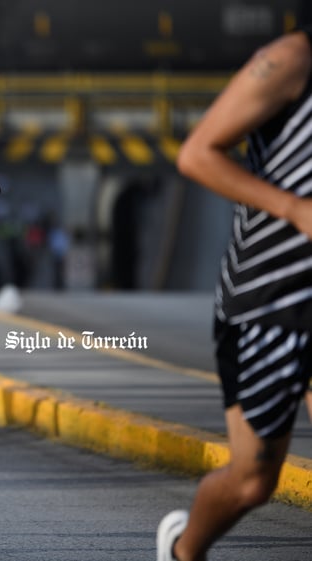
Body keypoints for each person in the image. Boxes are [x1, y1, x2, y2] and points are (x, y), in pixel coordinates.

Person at [158, 26, 312, 561]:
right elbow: (197, 154)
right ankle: (184, 551)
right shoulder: (293, 58)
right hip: (269, 301)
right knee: (252, 481)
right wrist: (297, 210)